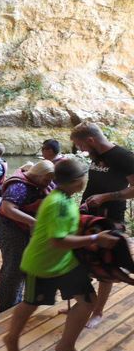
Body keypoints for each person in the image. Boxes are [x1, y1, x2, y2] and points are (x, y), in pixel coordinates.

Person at [4, 158, 118, 351]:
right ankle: (11, 339)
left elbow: (68, 229)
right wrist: (95, 239)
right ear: (77, 181)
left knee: (88, 301)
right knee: (31, 304)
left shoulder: (66, 196)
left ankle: (66, 345)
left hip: (65, 261)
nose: (86, 179)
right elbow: (58, 241)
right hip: (42, 264)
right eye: (85, 176)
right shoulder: (56, 203)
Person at [70, 122, 134, 328]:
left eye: (81, 146)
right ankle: (84, 302)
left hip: (110, 216)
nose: (81, 150)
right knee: (80, 258)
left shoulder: (123, 157)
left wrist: (106, 197)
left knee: (106, 264)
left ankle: (98, 312)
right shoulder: (96, 155)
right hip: (87, 214)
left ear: (91, 140)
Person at [0, 160, 55, 312]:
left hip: (23, 228)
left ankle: (17, 301)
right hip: (8, 227)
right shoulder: (19, 186)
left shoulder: (40, 183)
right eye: (47, 180)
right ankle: (7, 306)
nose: (48, 183)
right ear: (39, 176)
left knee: (23, 265)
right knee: (14, 266)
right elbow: (7, 209)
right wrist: (32, 222)